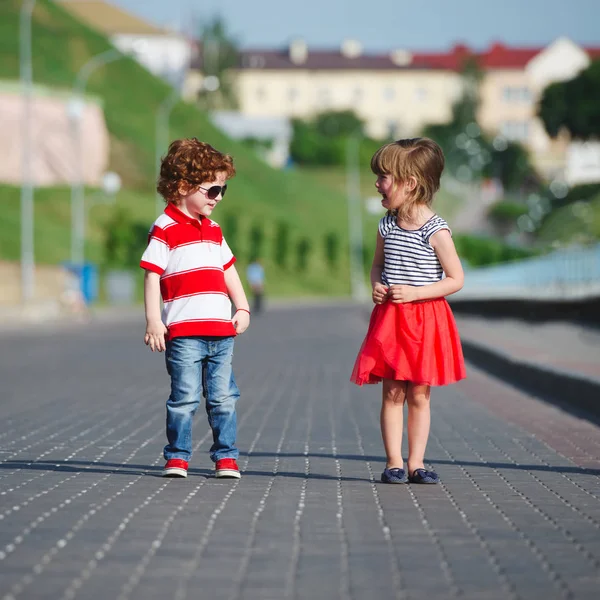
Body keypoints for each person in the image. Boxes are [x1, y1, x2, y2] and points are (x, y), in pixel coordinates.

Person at [351, 138, 466, 485]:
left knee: (419, 392)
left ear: (409, 183)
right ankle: (394, 462)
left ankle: (417, 462)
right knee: (392, 393)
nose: (377, 184)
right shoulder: (386, 225)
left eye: (384, 177)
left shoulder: (436, 230)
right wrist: (376, 284)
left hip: (426, 320)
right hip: (391, 321)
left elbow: (456, 279)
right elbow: (376, 266)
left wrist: (416, 292)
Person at [140, 138, 251, 479]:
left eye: (223, 190)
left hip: (221, 331)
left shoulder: (214, 230)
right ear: (183, 186)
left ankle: (226, 457)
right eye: (212, 190)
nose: (218, 198)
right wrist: (153, 320)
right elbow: (151, 275)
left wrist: (243, 306)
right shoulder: (165, 228)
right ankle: (177, 456)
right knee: (184, 398)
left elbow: (228, 270)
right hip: (184, 332)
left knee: (223, 398)